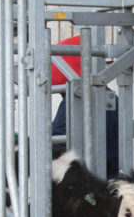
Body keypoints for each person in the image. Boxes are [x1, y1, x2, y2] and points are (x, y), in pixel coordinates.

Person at [50, 35, 120, 178]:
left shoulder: (78, 100)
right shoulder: (111, 98)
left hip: (86, 186)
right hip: (111, 179)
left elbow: (55, 145)